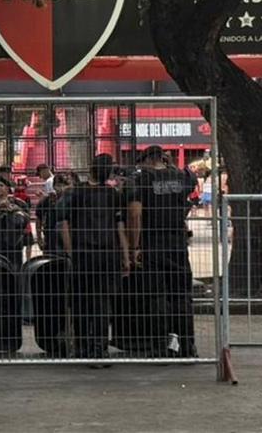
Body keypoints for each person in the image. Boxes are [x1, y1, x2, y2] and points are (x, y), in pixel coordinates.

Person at [126, 144, 197, 357]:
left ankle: (160, 346)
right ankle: (187, 346)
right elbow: (187, 201)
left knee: (156, 296)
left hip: (152, 242)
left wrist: (134, 246)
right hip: (177, 243)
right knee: (181, 295)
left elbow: (135, 214)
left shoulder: (141, 179)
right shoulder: (180, 177)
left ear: (147, 159)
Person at [58, 154, 129, 362]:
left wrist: (70, 251)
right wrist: (126, 255)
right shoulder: (113, 194)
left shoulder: (75, 193)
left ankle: (83, 347)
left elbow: (62, 222)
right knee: (102, 303)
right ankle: (100, 349)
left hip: (83, 254)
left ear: (91, 168)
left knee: (81, 301)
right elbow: (119, 227)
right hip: (108, 254)